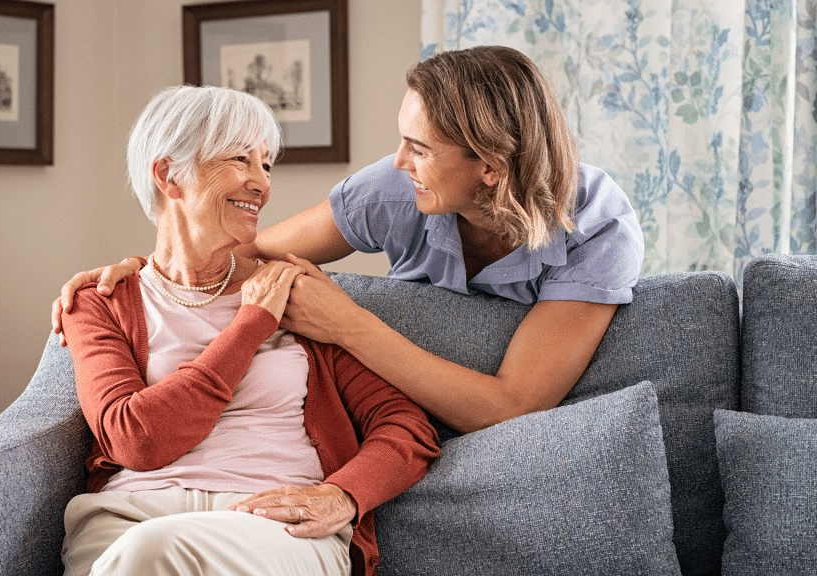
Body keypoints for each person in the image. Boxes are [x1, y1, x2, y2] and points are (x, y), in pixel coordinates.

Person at [54, 45, 644, 436]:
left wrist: (346, 324)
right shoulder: (394, 190)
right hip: (394, 415)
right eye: (401, 139)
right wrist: (142, 271)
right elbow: (241, 252)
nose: (397, 160)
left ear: (489, 167)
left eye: (420, 148)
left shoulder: (596, 226)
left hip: (501, 433)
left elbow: (513, 407)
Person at [59, 85, 439, 576]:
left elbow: (407, 427)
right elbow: (136, 440)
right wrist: (251, 324)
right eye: (240, 159)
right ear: (168, 176)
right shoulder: (99, 302)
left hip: (270, 522)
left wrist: (342, 496)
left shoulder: (297, 294)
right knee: (142, 549)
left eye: (266, 165)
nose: (261, 184)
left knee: (151, 553)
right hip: (127, 517)